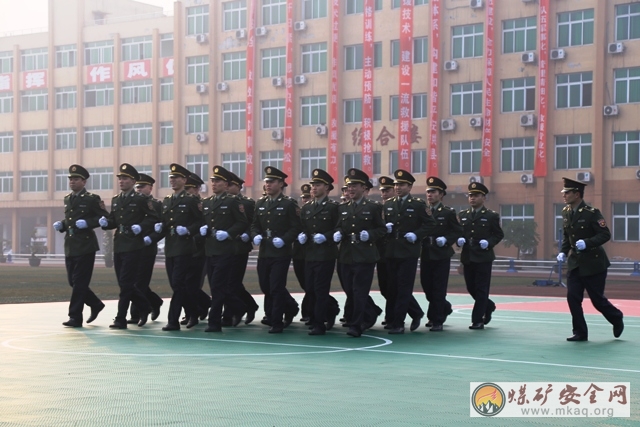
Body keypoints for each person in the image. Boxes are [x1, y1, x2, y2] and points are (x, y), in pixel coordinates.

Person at [557, 177, 624, 342]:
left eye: (568, 193)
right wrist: (563, 252)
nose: (564, 195)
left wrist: (587, 243)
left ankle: (616, 317)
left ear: (577, 194)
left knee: (597, 300)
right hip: (575, 263)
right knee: (572, 297)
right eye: (564, 192)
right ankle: (580, 332)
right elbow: (568, 236)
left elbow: (605, 234)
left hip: (594, 264)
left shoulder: (592, 213)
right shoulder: (566, 211)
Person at [99, 164, 158, 329]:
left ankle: (120, 318)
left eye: (125, 178)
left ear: (133, 181)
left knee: (126, 284)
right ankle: (145, 306)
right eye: (120, 178)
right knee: (124, 284)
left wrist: (141, 227)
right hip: (119, 244)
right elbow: (114, 221)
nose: (121, 181)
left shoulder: (141, 199)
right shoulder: (117, 199)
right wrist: (106, 223)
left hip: (134, 245)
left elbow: (153, 218)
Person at [54, 164, 109, 327]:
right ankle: (95, 303)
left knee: (79, 282)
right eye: (70, 179)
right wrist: (62, 225)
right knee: (73, 281)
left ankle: (75, 316)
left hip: (85, 245)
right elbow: (70, 220)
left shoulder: (92, 199)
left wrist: (88, 223)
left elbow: (104, 217)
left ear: (84, 182)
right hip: (70, 244)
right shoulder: (68, 198)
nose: (72, 182)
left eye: (76, 179)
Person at [334, 168, 386, 338]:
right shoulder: (342, 207)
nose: (351, 188)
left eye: (355, 185)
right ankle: (371, 312)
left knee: (359, 291)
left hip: (364, 255)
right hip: (346, 254)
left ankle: (356, 324)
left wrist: (370, 235)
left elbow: (382, 229)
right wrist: (338, 232)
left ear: (364, 188)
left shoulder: (373, 207)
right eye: (349, 185)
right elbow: (340, 225)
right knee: (349, 289)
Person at [382, 170, 434, 334]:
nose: (397, 187)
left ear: (410, 187)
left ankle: (398, 323)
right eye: (396, 184)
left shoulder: (418, 204)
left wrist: (417, 235)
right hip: (391, 250)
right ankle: (415, 312)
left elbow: (430, 224)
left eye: (401, 184)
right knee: (392, 288)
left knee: (403, 287)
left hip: (408, 250)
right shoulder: (389, 204)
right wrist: (385, 228)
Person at [250, 166, 301, 333]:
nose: (268, 185)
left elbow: (296, 227)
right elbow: (254, 225)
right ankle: (291, 307)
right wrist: (255, 235)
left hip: (281, 252)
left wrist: (285, 240)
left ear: (280, 183)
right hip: (265, 251)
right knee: (265, 286)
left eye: (271, 182)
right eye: (266, 182)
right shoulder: (260, 203)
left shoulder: (288, 204)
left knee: (276, 287)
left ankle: (276, 320)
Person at [199, 166, 249, 332]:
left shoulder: (232, 201)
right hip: (210, 249)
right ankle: (239, 306)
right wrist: (203, 229)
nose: (214, 184)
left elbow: (242, 223)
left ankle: (214, 322)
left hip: (226, 249)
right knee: (215, 286)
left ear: (226, 184)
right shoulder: (207, 202)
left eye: (218, 181)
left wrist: (228, 233)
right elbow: (205, 221)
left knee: (218, 286)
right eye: (213, 181)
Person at [155, 163, 204, 331]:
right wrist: (155, 232)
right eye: (171, 178)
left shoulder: (191, 200)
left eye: (176, 178)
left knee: (177, 284)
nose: (173, 180)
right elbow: (166, 223)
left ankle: (173, 320)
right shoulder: (168, 201)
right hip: (170, 247)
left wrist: (189, 230)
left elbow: (200, 221)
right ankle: (194, 311)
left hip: (184, 248)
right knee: (177, 285)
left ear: (184, 180)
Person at [297, 169, 341, 335]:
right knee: (310, 288)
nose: (313, 188)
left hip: (325, 254)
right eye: (312, 185)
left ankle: (319, 323)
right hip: (309, 253)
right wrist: (302, 236)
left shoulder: (333, 207)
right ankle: (330, 311)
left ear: (327, 187)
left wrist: (328, 237)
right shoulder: (307, 208)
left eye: (318, 185)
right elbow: (302, 227)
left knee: (320, 289)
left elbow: (338, 229)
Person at [457, 182, 504, 330]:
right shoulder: (463, 215)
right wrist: (459, 239)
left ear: (483, 198)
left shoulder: (491, 216)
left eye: (476, 195)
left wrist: (489, 243)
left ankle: (477, 320)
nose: (472, 198)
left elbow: (498, 234)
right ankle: (488, 306)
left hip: (483, 256)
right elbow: (460, 232)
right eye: (470, 195)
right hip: (468, 256)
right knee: (471, 287)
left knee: (481, 288)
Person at [420, 177, 462, 331]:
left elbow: (457, 230)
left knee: (438, 287)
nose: (429, 195)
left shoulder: (448, 212)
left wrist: (447, 239)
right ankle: (444, 307)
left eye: (433, 192)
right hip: (426, 252)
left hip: (441, 253)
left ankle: (436, 319)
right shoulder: (422, 210)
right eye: (428, 192)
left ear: (441, 194)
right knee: (427, 287)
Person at [128, 173, 164, 324]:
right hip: (131, 247)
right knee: (131, 281)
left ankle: (136, 314)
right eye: (137, 187)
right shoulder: (131, 202)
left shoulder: (156, 205)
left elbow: (162, 228)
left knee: (140, 282)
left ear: (150, 188)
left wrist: (151, 238)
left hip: (147, 247)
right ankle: (154, 301)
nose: (139, 190)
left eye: (142, 187)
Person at [224, 172, 259, 325]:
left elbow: (252, 223)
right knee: (227, 282)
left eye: (230, 185)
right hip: (224, 247)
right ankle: (248, 306)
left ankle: (233, 312)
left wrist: (246, 235)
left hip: (239, 247)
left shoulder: (247, 203)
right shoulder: (221, 201)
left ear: (238, 187)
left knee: (233, 282)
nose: (227, 187)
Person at [182, 173, 211, 327]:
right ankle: (202, 304)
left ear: (197, 189)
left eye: (190, 188)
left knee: (193, 285)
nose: (187, 191)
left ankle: (192, 312)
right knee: (183, 284)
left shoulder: (202, 205)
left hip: (199, 250)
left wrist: (196, 238)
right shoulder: (182, 203)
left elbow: (204, 225)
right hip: (184, 250)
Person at [375, 176, 395, 326]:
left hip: (395, 252)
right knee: (384, 288)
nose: (384, 193)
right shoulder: (379, 208)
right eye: (382, 191)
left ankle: (391, 317)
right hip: (381, 252)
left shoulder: (397, 207)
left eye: (387, 190)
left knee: (394, 286)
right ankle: (415, 311)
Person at [293, 184, 312, 323]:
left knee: (311, 285)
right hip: (299, 254)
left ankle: (309, 312)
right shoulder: (298, 213)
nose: (305, 200)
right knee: (304, 284)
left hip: (311, 254)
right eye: (303, 198)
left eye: (308, 197)